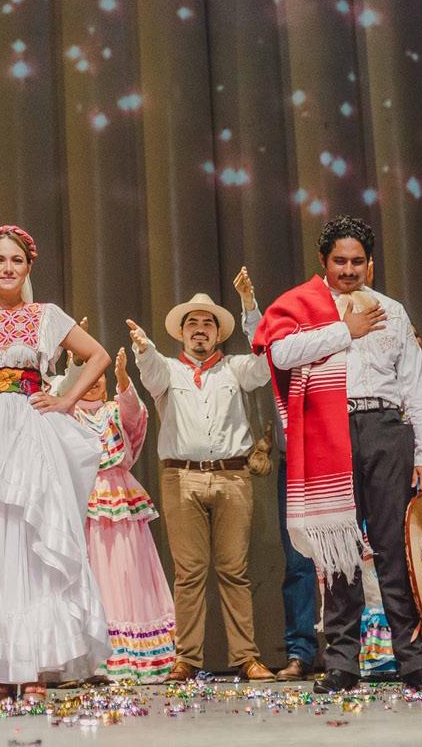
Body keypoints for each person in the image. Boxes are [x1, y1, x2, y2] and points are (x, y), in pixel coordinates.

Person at [255, 216, 422, 693]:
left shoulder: (392, 311)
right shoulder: (306, 306)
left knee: (395, 548)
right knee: (339, 551)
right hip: (330, 431)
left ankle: (414, 661)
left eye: (357, 262)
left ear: (370, 264)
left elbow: (415, 388)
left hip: (385, 428)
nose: (348, 270)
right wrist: (344, 330)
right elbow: (279, 354)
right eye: (339, 261)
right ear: (323, 261)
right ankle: (342, 662)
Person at [0, 224, 113, 700]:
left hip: (29, 429)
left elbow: (98, 356)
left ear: (28, 266)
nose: (8, 268)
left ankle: (35, 667)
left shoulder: (46, 315)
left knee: (29, 540)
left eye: (16, 260)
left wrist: (65, 400)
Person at [128, 273, 275, 683]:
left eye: (207, 323)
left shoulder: (234, 368)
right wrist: (144, 348)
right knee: (189, 573)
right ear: (181, 332)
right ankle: (186, 659)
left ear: (217, 333)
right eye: (192, 323)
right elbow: (151, 373)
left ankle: (246, 657)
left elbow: (264, 366)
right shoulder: (169, 370)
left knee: (234, 570)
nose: (199, 329)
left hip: (232, 477)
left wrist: (249, 307)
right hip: (182, 477)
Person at [71, 345, 177, 683]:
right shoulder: (68, 413)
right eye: (86, 376)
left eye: (99, 377)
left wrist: (122, 379)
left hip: (120, 497)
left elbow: (134, 415)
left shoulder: (114, 411)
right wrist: (72, 369)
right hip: (84, 498)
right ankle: (91, 657)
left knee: (128, 570)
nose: (94, 383)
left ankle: (132, 654)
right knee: (92, 570)